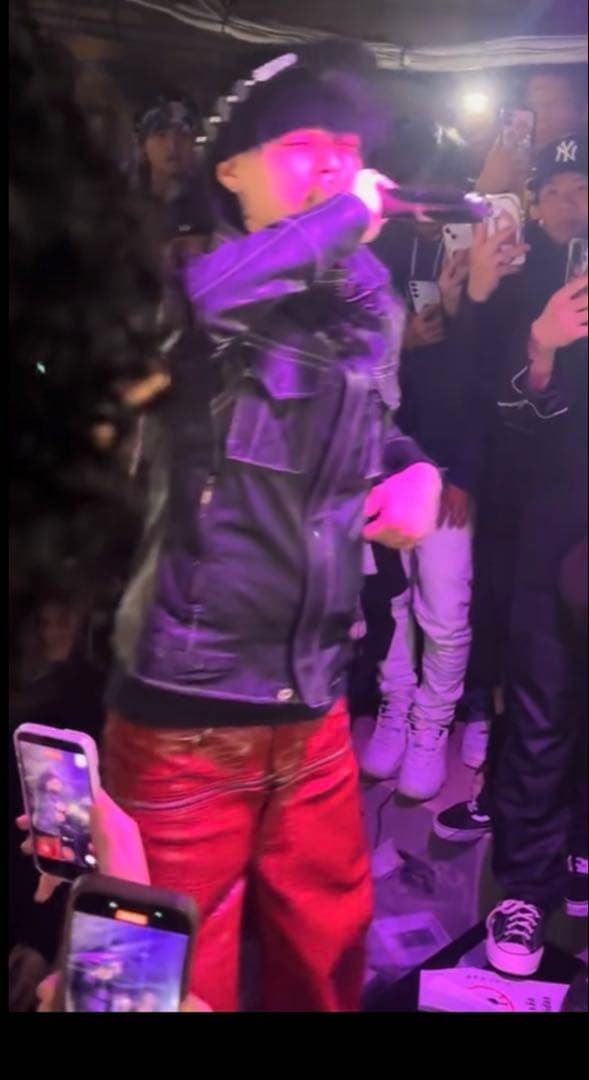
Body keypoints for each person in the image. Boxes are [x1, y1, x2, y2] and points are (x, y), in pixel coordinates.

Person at [104, 45, 441, 1013]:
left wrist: (414, 468)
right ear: (230, 169)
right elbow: (190, 320)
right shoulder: (176, 275)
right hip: (186, 714)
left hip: (313, 699)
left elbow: (373, 420)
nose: (334, 162)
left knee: (327, 958)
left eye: (348, 146)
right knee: (165, 983)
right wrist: (339, 217)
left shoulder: (357, 295)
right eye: (302, 143)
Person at [435, 135, 587, 975]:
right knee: (539, 702)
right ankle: (525, 885)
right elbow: (500, 408)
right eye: (555, 187)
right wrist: (541, 348)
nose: (569, 201)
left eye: (580, 187)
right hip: (551, 518)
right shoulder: (539, 276)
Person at [361, 189, 479, 799]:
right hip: (378, 459)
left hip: (449, 459)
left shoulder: (480, 254)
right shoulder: (379, 252)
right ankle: (397, 706)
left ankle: (432, 725)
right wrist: (399, 342)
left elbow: (488, 375)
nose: (428, 213)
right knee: (391, 600)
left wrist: (465, 472)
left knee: (444, 606)